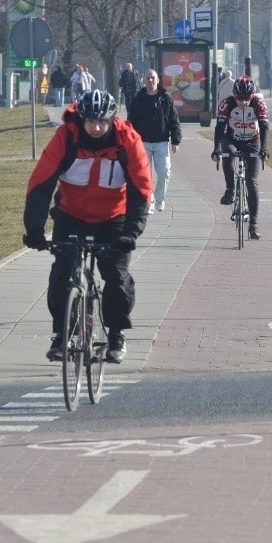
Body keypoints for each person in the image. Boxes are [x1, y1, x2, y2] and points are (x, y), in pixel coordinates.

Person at [22, 90, 152, 364]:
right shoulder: (66, 138)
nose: (95, 128)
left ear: (111, 120)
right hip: (72, 215)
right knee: (62, 272)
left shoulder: (127, 141)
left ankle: (116, 335)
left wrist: (131, 231)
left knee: (116, 277)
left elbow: (141, 190)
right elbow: (40, 184)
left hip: (113, 218)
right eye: (90, 121)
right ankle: (61, 333)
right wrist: (34, 229)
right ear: (81, 118)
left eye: (102, 122)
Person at [211, 75, 269, 240]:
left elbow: (264, 128)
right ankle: (230, 190)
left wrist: (264, 149)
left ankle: (253, 224)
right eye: (239, 99)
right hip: (232, 139)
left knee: (251, 181)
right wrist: (216, 149)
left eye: (246, 99)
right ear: (234, 96)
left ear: (252, 96)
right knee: (227, 154)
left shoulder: (259, 104)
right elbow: (219, 128)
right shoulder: (226, 104)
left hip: (253, 142)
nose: (243, 103)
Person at [127, 69, 182, 214]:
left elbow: (174, 120)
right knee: (145, 175)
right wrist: (129, 141)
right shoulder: (138, 99)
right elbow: (130, 122)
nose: (150, 80)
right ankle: (149, 200)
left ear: (158, 80)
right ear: (144, 80)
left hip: (161, 142)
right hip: (143, 143)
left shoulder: (166, 98)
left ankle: (159, 198)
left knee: (164, 171)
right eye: (147, 78)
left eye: (152, 78)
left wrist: (176, 140)